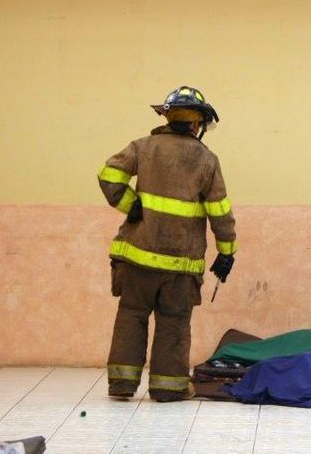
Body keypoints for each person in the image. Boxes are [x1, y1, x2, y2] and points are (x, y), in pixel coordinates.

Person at [97, 85, 237, 402]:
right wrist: (227, 252)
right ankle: (168, 388)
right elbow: (220, 212)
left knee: (130, 316)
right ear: (197, 123)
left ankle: (121, 384)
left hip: (136, 259)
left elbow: (109, 175)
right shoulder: (207, 160)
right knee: (173, 323)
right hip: (180, 266)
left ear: (168, 116)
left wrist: (129, 204)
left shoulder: (143, 147)